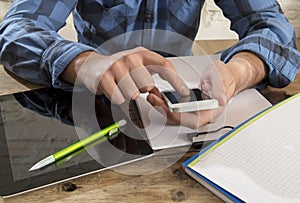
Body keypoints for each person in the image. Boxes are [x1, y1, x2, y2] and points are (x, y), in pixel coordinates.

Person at [0, 0, 299, 129]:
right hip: (100, 105)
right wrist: (84, 63)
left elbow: (273, 29)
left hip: (187, 102)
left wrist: (240, 70)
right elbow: (15, 31)